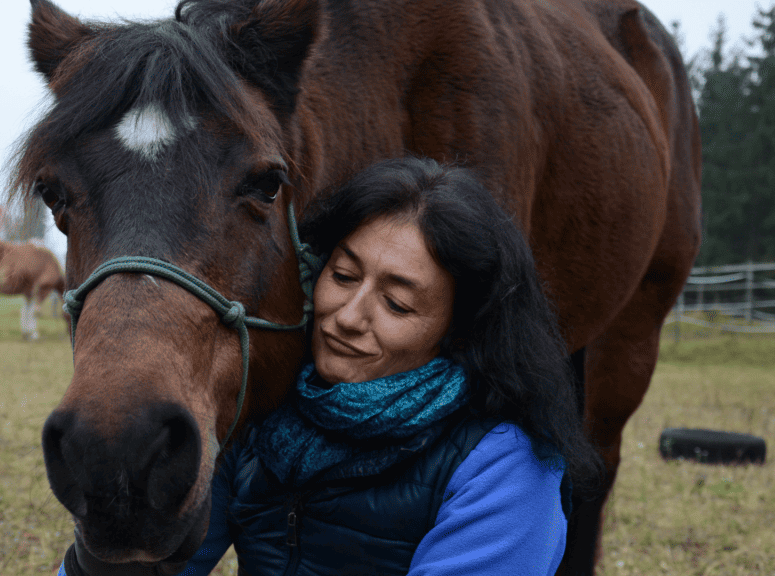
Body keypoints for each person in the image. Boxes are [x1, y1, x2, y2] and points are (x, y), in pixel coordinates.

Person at [58, 157, 601, 576]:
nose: (348, 317)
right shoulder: (268, 417)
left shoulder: (506, 468)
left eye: (397, 304)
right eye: (342, 276)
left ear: (458, 331)